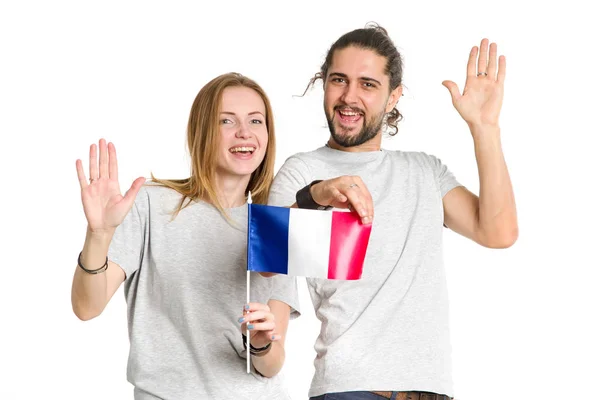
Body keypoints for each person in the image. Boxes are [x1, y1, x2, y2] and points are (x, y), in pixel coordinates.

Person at [268, 24, 518, 400]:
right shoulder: (303, 171)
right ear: (324, 84)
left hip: (432, 389)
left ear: (393, 97)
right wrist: (316, 195)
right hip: (350, 389)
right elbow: (269, 258)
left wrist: (485, 128)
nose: (349, 96)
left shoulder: (425, 171)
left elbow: (498, 233)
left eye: (367, 84)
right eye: (339, 80)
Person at [71, 72, 300, 400]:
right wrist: (100, 233)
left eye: (256, 120)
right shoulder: (151, 204)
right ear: (203, 130)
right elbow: (86, 306)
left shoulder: (275, 224)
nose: (244, 133)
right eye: (226, 120)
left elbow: (272, 365)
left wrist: (262, 343)